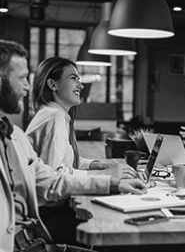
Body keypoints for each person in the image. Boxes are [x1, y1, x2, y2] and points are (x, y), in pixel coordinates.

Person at [0, 39, 148, 252]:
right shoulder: (53, 117)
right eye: (22, 78)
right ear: (53, 84)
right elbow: (55, 175)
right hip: (40, 223)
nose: (27, 86)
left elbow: (49, 179)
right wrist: (107, 176)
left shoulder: (16, 137)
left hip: (30, 233)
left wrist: (110, 180)